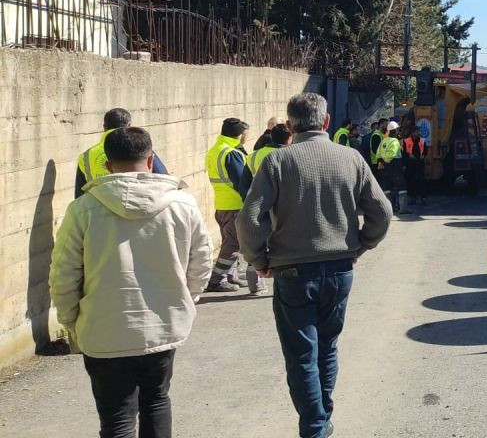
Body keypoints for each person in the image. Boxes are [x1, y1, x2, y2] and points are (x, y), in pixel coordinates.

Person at [237, 93, 392, 438]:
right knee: (327, 347)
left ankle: (315, 426)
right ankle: (322, 414)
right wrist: (362, 245)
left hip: (293, 273)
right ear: (326, 122)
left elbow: (249, 220)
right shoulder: (351, 158)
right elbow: (382, 213)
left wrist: (259, 259)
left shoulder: (277, 162)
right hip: (340, 268)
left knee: (301, 354)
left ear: (290, 127)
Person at [50, 127, 213, 438]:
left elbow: (64, 272)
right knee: (156, 400)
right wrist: (185, 301)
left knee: (117, 418)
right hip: (164, 324)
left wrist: (71, 320)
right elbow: (201, 262)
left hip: (103, 329)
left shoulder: (83, 209)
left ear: (107, 165)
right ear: (150, 160)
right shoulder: (183, 204)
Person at [205, 118, 260, 294]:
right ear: (241, 135)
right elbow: (241, 182)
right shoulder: (232, 153)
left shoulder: (215, 150)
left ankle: (231, 276)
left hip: (221, 203)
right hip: (235, 204)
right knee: (234, 243)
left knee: (229, 241)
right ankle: (217, 279)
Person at [76, 108, 170, 198]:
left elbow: (79, 194)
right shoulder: (138, 148)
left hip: (98, 208)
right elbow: (164, 179)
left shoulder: (85, 156)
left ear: (104, 127)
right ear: (129, 126)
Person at [375, 120, 408, 214]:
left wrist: (381, 162)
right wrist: (386, 162)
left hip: (384, 167)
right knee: (401, 187)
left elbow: (378, 153)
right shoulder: (395, 141)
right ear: (396, 130)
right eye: (398, 129)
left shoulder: (384, 140)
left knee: (386, 188)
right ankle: (403, 209)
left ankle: (387, 209)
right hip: (394, 165)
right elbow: (392, 154)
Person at [402, 125, 427, 205]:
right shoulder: (406, 141)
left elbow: (425, 150)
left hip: (419, 163)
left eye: (419, 131)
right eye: (417, 131)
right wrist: (407, 159)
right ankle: (412, 198)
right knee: (410, 181)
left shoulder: (422, 140)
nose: (419, 133)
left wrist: (424, 155)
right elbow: (404, 153)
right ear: (412, 133)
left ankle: (423, 198)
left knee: (421, 181)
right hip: (410, 164)